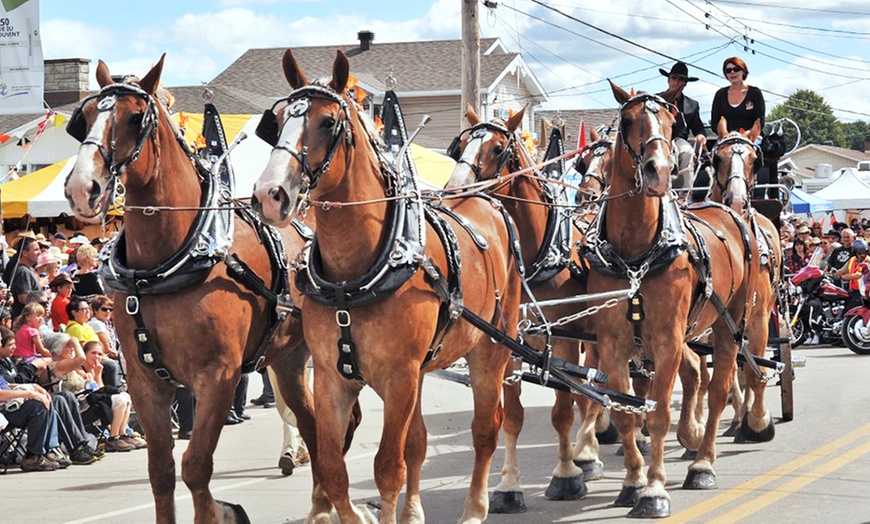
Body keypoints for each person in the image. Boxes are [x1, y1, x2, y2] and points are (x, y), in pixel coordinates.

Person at [1, 328, 101, 465]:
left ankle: (78, 444)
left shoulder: (7, 362)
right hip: (6, 408)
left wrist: (34, 387)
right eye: (8, 344)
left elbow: (8, 384)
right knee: (44, 404)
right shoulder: (56, 364)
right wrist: (31, 376)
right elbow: (7, 388)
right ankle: (36, 454)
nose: (14, 347)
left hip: (14, 401)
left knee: (65, 396)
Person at [0, 369, 65, 471]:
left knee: (45, 400)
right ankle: (33, 456)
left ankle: (48, 450)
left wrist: (34, 387)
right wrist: (30, 394)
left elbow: (6, 385)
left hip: (7, 409)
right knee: (37, 407)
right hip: (3, 413)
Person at [658, 61, 707, 190]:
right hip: (658, 140)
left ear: (685, 83)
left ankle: (686, 194)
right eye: (673, 78)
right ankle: (660, 192)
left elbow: (698, 127)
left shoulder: (692, 105)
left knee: (688, 151)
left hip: (679, 141)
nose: (676, 82)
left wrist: (701, 135)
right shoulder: (656, 100)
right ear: (668, 80)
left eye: (680, 80)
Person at [65, 296, 121, 389]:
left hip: (97, 355)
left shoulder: (87, 326)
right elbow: (85, 350)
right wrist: (102, 357)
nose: (87, 311)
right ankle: (113, 391)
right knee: (111, 365)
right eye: (83, 309)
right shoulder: (75, 328)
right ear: (74, 312)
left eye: (88, 309)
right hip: (86, 360)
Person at [710, 57, 765, 136]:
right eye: (728, 70)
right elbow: (715, 122)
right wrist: (726, 134)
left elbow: (760, 121)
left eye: (736, 69)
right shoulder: (720, 94)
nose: (732, 72)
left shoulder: (755, 93)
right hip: (726, 138)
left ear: (743, 71)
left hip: (751, 137)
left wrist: (746, 134)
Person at [5, 237, 42, 318]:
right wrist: (42, 297)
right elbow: (24, 298)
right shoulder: (22, 271)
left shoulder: (29, 269)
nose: (39, 252)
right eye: (36, 250)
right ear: (25, 253)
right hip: (26, 319)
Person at [12, 303, 52, 368]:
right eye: (38, 316)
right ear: (28, 317)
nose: (41, 319)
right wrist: (52, 356)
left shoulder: (20, 328)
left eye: (42, 316)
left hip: (16, 358)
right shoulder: (33, 331)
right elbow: (42, 351)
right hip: (26, 360)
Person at [836, 239, 870, 312]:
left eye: (865, 253)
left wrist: (843, 277)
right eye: (860, 253)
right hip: (853, 291)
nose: (863, 255)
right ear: (855, 253)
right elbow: (842, 271)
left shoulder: (867, 261)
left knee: (850, 310)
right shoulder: (852, 260)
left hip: (863, 292)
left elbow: (858, 275)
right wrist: (830, 273)